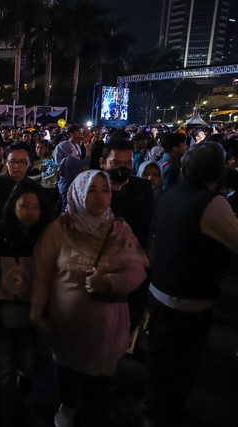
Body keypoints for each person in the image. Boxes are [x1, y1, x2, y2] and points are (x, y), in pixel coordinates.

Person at [30, 170, 148, 427]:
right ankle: (68, 406)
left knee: (97, 387)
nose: (99, 196)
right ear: (78, 192)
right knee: (66, 373)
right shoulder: (60, 228)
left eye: (104, 190)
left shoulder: (119, 230)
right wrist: (37, 312)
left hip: (105, 328)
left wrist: (109, 282)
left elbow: (137, 272)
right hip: (66, 324)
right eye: (92, 190)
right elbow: (42, 272)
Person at [144, 142, 238, 427]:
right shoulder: (213, 203)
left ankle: (151, 412)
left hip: (158, 293)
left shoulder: (170, 193)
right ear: (218, 171)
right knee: (178, 371)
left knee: (159, 365)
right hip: (187, 304)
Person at [0, 180, 52, 426]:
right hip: (1, 314)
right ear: (14, 207)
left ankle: (23, 387)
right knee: (6, 369)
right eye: (24, 206)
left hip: (31, 314)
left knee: (29, 365)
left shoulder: (45, 238)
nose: (30, 211)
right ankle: (10, 413)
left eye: (35, 206)